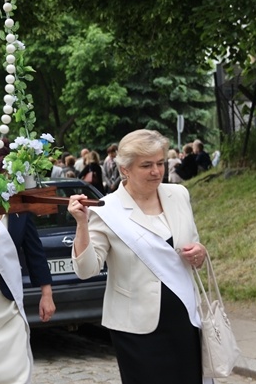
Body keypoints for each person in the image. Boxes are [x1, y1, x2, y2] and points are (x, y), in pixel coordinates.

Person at [67, 129, 208, 384]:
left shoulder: (179, 196)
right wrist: (82, 225)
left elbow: (193, 243)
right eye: (146, 165)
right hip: (136, 328)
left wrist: (199, 253)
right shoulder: (107, 210)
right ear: (125, 169)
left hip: (183, 320)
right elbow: (86, 270)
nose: (156, 171)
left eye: (160, 163)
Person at [0, 151, 55, 384]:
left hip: (9, 299)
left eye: (5, 174)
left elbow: (35, 252)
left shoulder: (19, 211)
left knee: (15, 364)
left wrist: (47, 293)